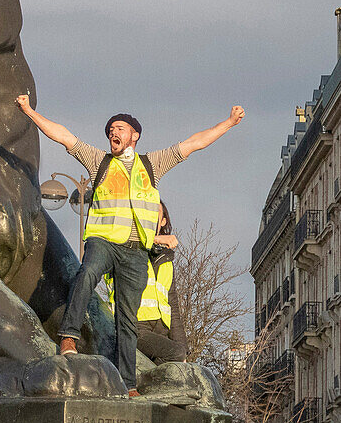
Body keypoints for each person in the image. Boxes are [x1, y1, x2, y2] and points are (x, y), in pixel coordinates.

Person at [15, 96, 243, 395]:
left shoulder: (152, 164)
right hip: (104, 241)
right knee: (86, 274)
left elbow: (193, 143)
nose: (113, 132)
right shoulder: (100, 162)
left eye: (119, 128)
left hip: (135, 251)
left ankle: (128, 383)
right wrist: (30, 112)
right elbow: (64, 136)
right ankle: (68, 337)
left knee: (127, 318)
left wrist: (227, 123)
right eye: (110, 129)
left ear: (134, 135)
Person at [108, 201, 187, 365]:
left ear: (163, 220)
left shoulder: (165, 260)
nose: (151, 215)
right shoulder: (125, 246)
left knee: (179, 361)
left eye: (155, 211)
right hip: (134, 327)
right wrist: (155, 239)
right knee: (173, 355)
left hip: (161, 332)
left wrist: (183, 351)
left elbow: (173, 306)